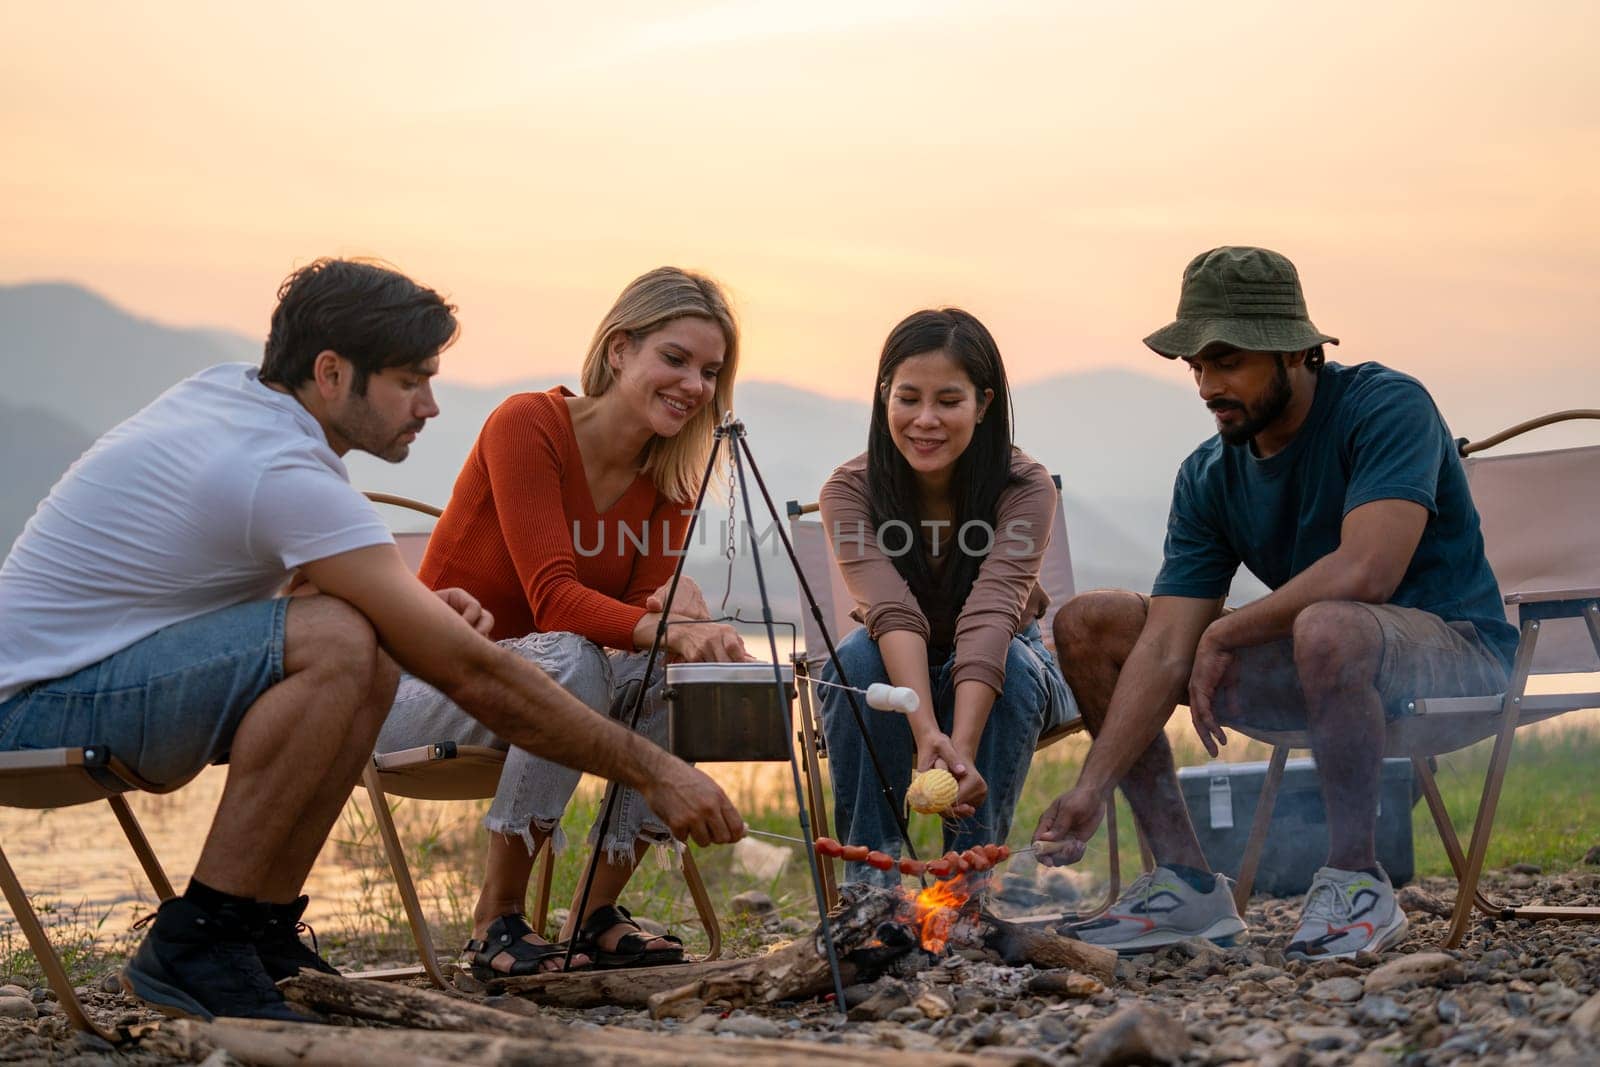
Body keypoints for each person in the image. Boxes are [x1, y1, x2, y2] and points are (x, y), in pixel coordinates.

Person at [0, 259, 744, 1022]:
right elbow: (468, 667)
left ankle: (256, 929)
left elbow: (243, 591)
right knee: (344, 638)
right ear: (330, 373)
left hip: (95, 679)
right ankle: (200, 938)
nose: (429, 405)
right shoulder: (279, 466)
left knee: (359, 633)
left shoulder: (238, 398)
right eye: (408, 381)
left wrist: (416, 603)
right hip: (35, 709)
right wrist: (656, 770)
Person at [1033, 246, 1515, 959]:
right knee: (1090, 622)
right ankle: (1187, 885)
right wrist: (1091, 785)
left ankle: (1357, 882)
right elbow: (1167, 643)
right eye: (1195, 365)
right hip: (1323, 663)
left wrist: (1225, 638)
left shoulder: (1387, 406)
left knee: (1327, 625)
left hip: (1456, 662)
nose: (1205, 385)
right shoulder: (1208, 474)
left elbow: (1367, 570)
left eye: (1226, 360)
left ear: (1295, 352)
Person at [377, 266, 748, 974]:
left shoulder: (672, 477)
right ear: (618, 349)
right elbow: (554, 599)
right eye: (674, 358)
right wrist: (667, 624)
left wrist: (676, 613)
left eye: (709, 370)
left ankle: (593, 915)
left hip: (543, 692)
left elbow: (638, 621)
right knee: (574, 653)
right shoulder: (528, 423)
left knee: (672, 670)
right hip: (420, 690)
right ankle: (497, 921)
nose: (694, 385)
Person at [817, 308, 1077, 886]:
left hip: (1004, 667)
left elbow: (991, 614)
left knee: (1008, 660)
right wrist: (924, 728)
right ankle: (871, 890)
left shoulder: (1023, 487)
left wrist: (955, 750)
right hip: (898, 661)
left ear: (984, 405)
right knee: (855, 661)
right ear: (884, 395)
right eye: (908, 398)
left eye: (949, 401)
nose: (925, 420)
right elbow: (891, 612)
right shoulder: (848, 491)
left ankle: (964, 890)